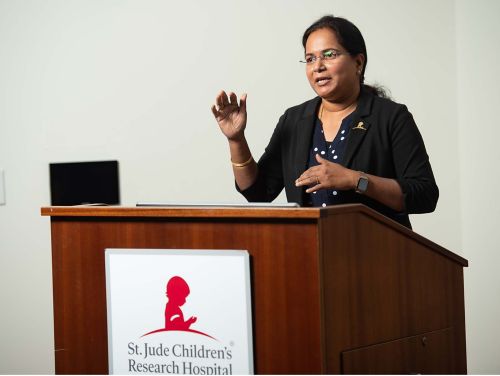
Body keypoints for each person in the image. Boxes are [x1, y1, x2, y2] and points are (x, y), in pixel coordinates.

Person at [211, 15, 438, 229]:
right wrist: (236, 140)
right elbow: (259, 193)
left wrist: (355, 179)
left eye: (329, 55)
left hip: (376, 254)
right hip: (308, 250)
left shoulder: (390, 117)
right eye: (310, 59)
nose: (318, 66)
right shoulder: (294, 120)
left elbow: (425, 195)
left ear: (358, 63)